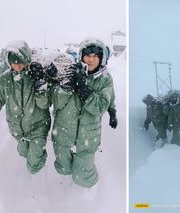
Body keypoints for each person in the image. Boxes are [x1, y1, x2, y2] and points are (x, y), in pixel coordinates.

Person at [0, 40, 51, 174]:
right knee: (24, 152)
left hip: (38, 125)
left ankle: (38, 184)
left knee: (35, 159)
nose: (17, 65)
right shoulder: (5, 80)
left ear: (26, 58)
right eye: (13, 62)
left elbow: (44, 104)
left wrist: (40, 84)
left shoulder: (35, 76)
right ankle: (30, 173)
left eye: (20, 61)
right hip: (17, 130)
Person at [50, 38, 116, 188]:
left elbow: (99, 107)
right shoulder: (69, 73)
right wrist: (66, 87)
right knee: (63, 168)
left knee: (83, 176)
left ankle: (86, 199)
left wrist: (83, 88)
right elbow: (56, 102)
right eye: (87, 55)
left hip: (87, 137)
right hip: (63, 133)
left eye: (95, 56)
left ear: (101, 58)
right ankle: (65, 190)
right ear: (81, 56)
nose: (91, 60)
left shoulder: (104, 80)